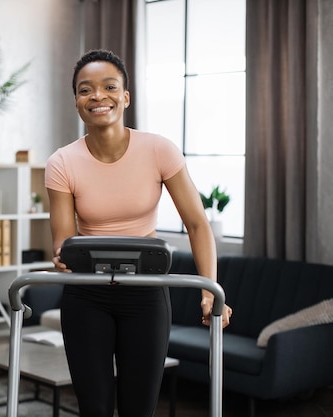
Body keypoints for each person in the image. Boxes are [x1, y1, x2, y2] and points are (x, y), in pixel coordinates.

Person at [45, 49, 233, 417]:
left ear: (125, 97)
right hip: (87, 296)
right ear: (77, 101)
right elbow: (64, 242)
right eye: (86, 90)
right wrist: (62, 260)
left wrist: (210, 290)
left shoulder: (158, 150)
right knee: (94, 408)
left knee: (139, 408)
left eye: (109, 87)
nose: (97, 96)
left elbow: (196, 223)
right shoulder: (62, 162)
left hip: (146, 294)